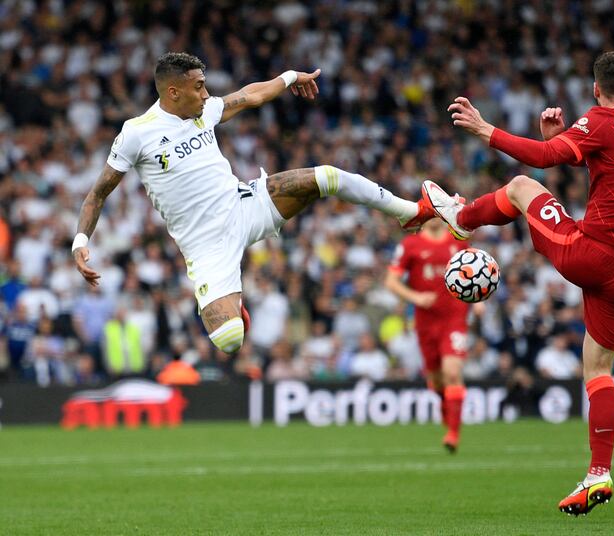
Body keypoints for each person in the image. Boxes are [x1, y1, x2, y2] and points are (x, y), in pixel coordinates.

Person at [422, 52, 614, 514]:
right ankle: (599, 473)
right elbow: (611, 160)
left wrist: (485, 130)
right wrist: (566, 143)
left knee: (519, 186)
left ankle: (461, 220)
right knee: (598, 371)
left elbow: (545, 158)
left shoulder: (598, 119)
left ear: (596, 90)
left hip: (593, 255)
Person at [72, 52, 431, 355]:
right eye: (198, 87)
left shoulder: (204, 112)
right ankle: (235, 309)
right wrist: (81, 242)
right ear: (173, 91)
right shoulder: (137, 133)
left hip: (245, 204)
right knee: (229, 340)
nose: (206, 93)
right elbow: (98, 193)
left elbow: (251, 95)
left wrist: (290, 77)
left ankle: (410, 212)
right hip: (205, 246)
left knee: (326, 176)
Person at [385, 218, 470, 452]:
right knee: (436, 378)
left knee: (452, 371)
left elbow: (474, 274)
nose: (434, 216)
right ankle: (446, 405)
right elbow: (391, 281)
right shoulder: (410, 244)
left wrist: (478, 300)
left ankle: (453, 433)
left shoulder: (458, 241)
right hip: (425, 322)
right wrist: (416, 298)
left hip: (454, 317)